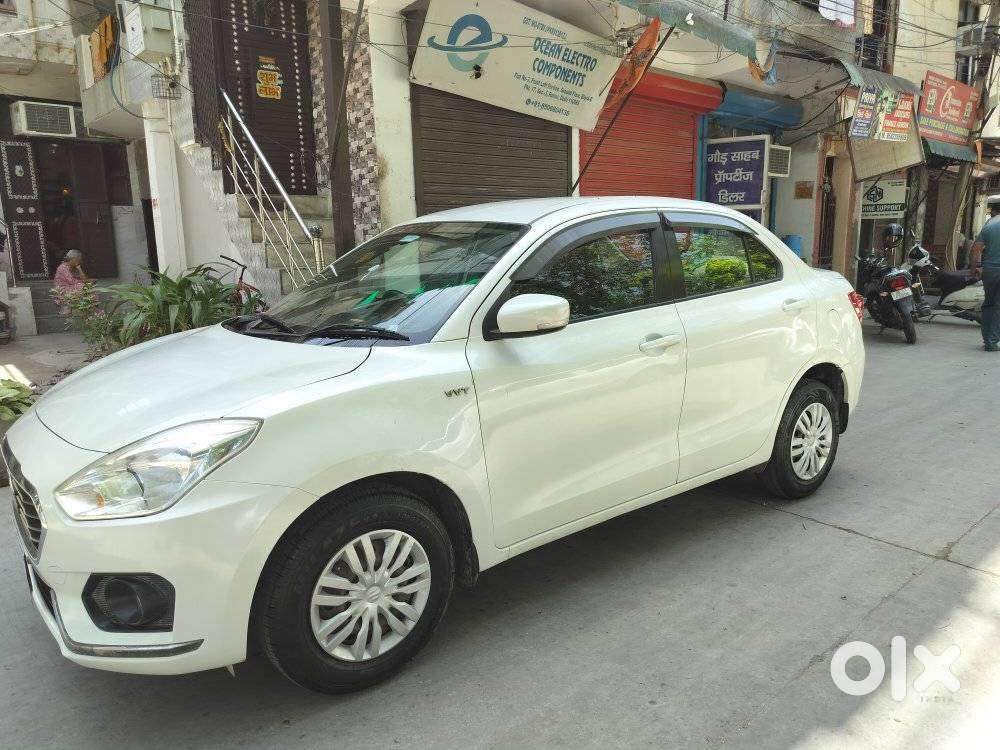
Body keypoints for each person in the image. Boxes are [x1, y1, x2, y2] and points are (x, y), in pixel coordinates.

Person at [969, 195, 1000, 352]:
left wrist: (976, 268)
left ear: (993, 210)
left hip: (989, 271)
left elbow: (976, 249)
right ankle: (992, 342)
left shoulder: (989, 224)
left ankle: (987, 338)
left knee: (989, 304)